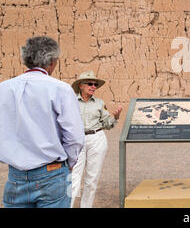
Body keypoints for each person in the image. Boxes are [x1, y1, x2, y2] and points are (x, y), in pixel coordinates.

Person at [0, 36, 85, 208]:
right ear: (52, 61)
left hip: (15, 176)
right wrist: (69, 164)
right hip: (51, 173)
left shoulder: (4, 89)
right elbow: (75, 137)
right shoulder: (60, 89)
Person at [70, 71, 122, 208]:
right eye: (90, 84)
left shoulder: (99, 103)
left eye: (95, 84)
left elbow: (106, 124)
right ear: (81, 85)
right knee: (73, 177)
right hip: (77, 140)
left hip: (97, 138)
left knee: (92, 179)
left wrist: (115, 118)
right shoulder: (71, 102)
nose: (93, 86)